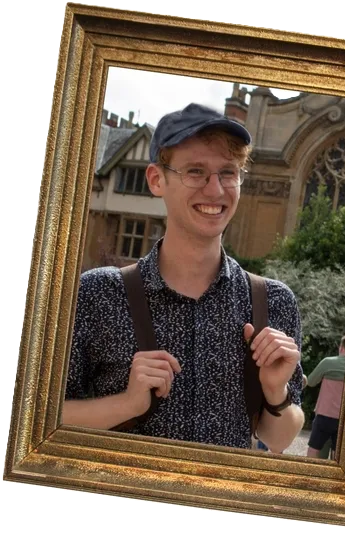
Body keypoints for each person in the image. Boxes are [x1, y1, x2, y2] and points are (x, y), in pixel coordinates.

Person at [63, 102, 305, 454]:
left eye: (228, 172)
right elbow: (42, 416)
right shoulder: (99, 293)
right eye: (195, 172)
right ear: (156, 179)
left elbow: (279, 438)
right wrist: (127, 404)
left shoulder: (273, 301)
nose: (215, 190)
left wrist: (274, 390)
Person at [303, 334, 345, 459]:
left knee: (314, 449)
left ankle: (308, 473)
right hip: (344, 419)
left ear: (341, 348)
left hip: (324, 416)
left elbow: (311, 382)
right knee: (337, 455)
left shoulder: (328, 362)